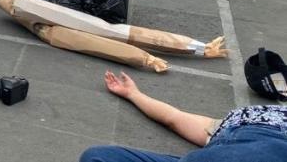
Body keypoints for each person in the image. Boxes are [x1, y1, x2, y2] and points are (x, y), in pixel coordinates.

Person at [79, 71, 287, 162]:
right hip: (219, 152)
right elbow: (174, 118)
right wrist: (134, 94)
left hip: (271, 148)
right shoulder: (238, 120)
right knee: (97, 157)